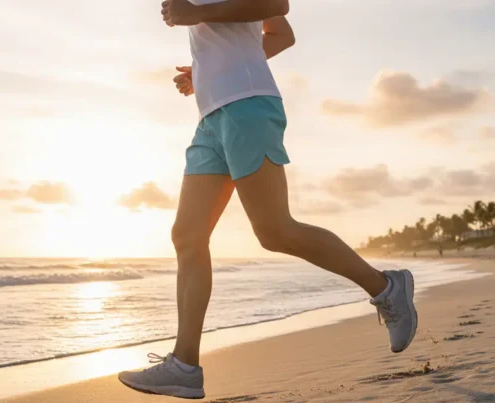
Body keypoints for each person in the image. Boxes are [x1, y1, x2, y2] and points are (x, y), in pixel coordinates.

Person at [118, 0, 418, 399]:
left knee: (275, 231)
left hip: (248, 106)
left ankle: (385, 288)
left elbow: (277, 6)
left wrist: (196, 14)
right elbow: (279, 34)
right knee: (187, 236)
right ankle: (185, 365)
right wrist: (203, 71)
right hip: (211, 117)